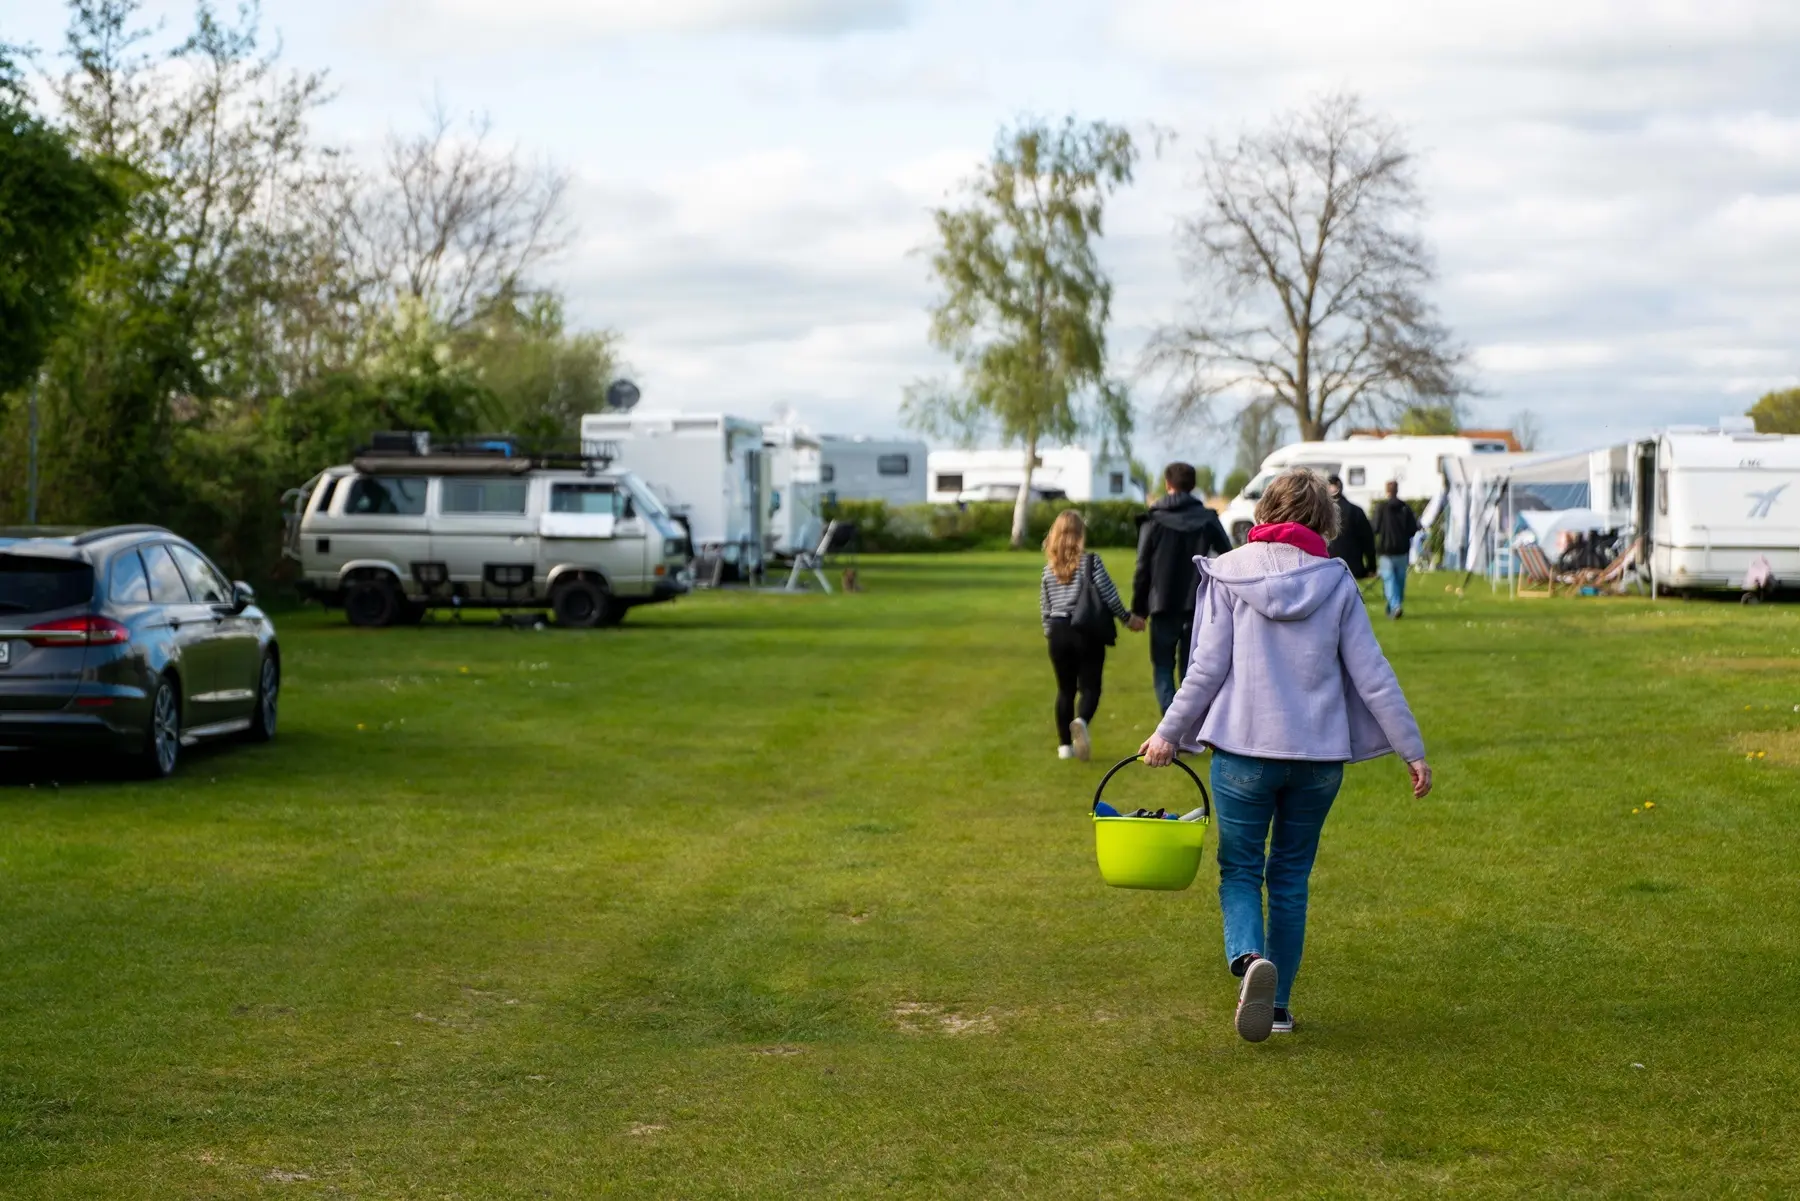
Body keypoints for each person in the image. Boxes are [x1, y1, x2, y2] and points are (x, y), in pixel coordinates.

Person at [1137, 467, 1431, 1043]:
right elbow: (1373, 675)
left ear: (1266, 510)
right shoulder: (1337, 580)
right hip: (1318, 762)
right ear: (1325, 519)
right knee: (1290, 878)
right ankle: (1277, 1007)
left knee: (1242, 869)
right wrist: (1411, 749)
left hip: (1244, 754)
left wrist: (1168, 733)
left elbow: (1205, 669)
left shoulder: (1229, 574)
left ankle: (1250, 962)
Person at [1131, 462, 1232, 714]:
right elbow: (1228, 557)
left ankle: (1170, 719)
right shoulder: (1207, 519)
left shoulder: (1153, 520)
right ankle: (1188, 723)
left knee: (1163, 665)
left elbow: (1142, 567)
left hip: (1162, 603)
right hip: (1198, 603)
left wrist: (1139, 610)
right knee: (1192, 666)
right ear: (1193, 486)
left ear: (1167, 485)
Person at [1041, 511, 1142, 762]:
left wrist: (1050, 632)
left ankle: (1064, 746)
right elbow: (1108, 596)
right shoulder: (1091, 563)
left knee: (1065, 690)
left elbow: (1045, 606)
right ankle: (1081, 719)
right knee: (1090, 687)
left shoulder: (1048, 570)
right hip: (1086, 631)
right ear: (1079, 535)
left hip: (1058, 630)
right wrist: (1128, 618)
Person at [1372, 480, 1421, 619]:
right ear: (1397, 490)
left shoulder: (1381, 507)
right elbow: (1413, 529)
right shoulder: (1405, 508)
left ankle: (1394, 606)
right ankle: (1394, 605)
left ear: (1387, 491)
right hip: (1402, 549)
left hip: (1386, 550)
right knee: (1400, 580)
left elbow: (1375, 527)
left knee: (1389, 579)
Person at [1324, 475, 1376, 580]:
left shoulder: (1321, 513)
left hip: (1327, 566)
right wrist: (1372, 566)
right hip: (1353, 566)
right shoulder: (1356, 511)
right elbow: (1368, 540)